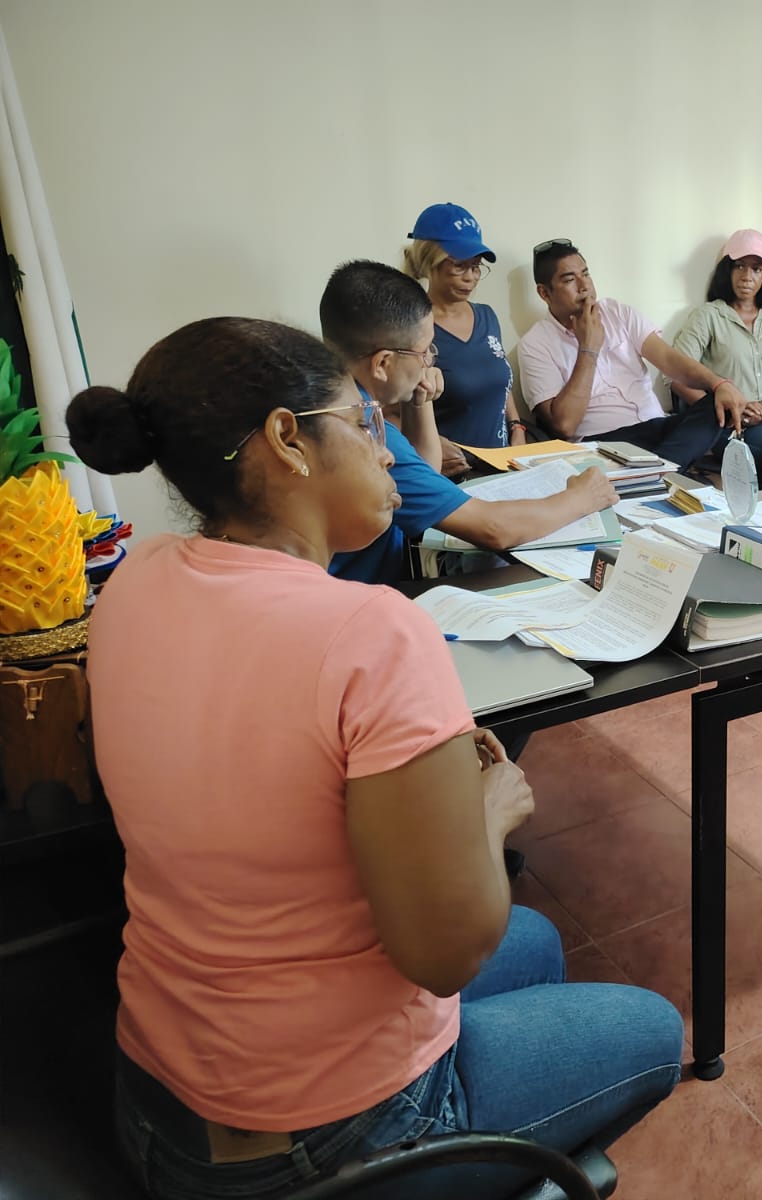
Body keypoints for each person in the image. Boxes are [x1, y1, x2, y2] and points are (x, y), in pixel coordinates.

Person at [64, 317, 682, 1199]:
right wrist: (490, 811)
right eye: (363, 422)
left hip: (160, 1099)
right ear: (288, 439)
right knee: (653, 1030)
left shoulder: (136, 577)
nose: (387, 451)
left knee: (537, 940)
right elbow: (446, 956)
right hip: (321, 1142)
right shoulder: (371, 632)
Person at [319, 261, 616, 584]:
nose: (429, 361)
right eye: (423, 352)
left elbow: (422, 477)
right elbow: (493, 528)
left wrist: (420, 400)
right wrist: (582, 497)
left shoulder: (329, 398)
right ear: (383, 363)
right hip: (367, 592)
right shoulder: (365, 433)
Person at [516, 239, 753, 465]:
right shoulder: (535, 344)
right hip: (602, 444)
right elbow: (565, 425)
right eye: (569, 279)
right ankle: (663, 470)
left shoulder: (618, 312)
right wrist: (588, 348)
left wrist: (719, 384)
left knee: (714, 405)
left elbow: (669, 360)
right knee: (701, 445)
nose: (584, 285)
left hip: (658, 428)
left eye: (586, 274)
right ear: (544, 293)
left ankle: (655, 471)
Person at [672, 228, 762, 502]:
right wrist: (720, 410)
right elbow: (676, 375)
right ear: (727, 270)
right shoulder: (709, 316)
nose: (747, 276)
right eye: (739, 266)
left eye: (756, 269)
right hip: (732, 427)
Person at [403, 202, 524, 462]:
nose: (471, 277)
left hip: (503, 465)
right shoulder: (413, 328)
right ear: (430, 262)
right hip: (453, 472)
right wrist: (432, 446)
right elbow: (391, 409)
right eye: (459, 266)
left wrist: (516, 426)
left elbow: (499, 378)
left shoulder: (487, 316)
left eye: (476, 266)